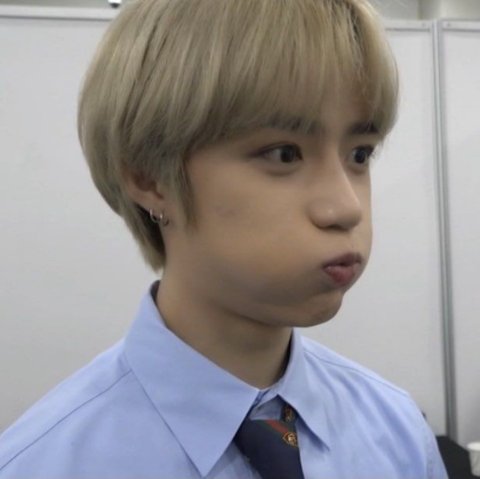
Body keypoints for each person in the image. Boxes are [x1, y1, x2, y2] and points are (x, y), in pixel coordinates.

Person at [0, 0, 448, 477]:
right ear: (151, 178)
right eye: (284, 154)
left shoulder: (396, 434)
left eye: (359, 154)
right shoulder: (41, 464)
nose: (346, 207)